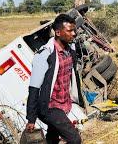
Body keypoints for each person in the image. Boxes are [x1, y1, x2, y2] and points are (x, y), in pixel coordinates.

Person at [26, 14, 85, 144]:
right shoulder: (45, 54)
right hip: (49, 106)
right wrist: (31, 118)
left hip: (64, 103)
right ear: (58, 32)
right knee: (75, 140)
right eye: (69, 30)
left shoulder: (70, 51)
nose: (74, 34)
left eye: (74, 30)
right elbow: (34, 87)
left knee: (52, 138)